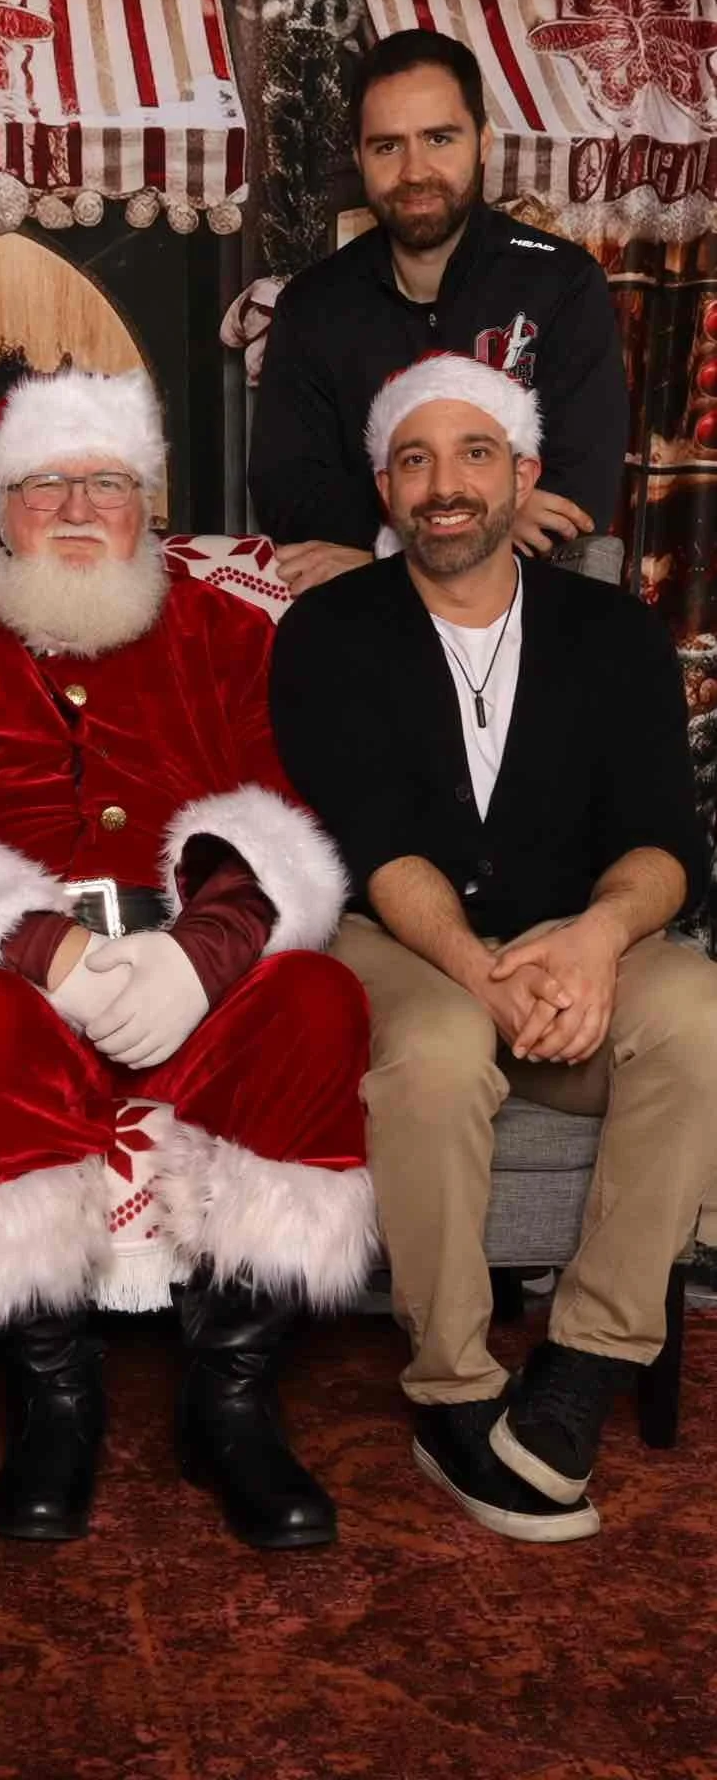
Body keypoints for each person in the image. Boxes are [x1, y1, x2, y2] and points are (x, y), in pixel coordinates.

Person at [0, 366, 375, 1553]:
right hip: (6, 955)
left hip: (188, 939)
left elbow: (275, 803)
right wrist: (39, 944)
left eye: (107, 482)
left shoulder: (220, 627)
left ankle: (232, 1399)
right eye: (44, 481)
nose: (75, 506)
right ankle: (55, 1395)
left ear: (146, 505)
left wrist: (202, 952)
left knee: (316, 996)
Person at [270, 352, 717, 1543]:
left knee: (700, 1015)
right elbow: (373, 839)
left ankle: (587, 1358)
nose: (445, 484)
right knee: (438, 1052)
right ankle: (456, 1387)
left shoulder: (615, 633)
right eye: (415, 460)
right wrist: (483, 971)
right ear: (385, 488)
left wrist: (598, 939)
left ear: (522, 478)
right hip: (406, 940)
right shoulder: (329, 630)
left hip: (578, 938)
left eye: (474, 455)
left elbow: (669, 839)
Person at [248, 29, 629, 598]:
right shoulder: (313, 303)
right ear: (358, 157)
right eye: (387, 146)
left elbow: (576, 498)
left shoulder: (560, 282)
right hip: (370, 621)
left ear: (483, 142)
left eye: (439, 138)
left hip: (533, 616)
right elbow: (290, 493)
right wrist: (480, 524)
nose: (415, 170)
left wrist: (382, 544)